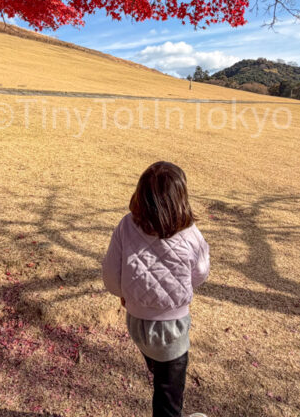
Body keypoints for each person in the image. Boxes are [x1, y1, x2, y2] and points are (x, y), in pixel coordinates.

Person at [102, 161, 210, 417]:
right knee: (167, 397)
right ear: (181, 199)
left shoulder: (126, 225)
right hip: (172, 331)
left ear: (140, 195)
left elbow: (110, 275)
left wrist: (125, 295)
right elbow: (201, 273)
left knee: (157, 368)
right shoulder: (190, 233)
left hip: (138, 324)